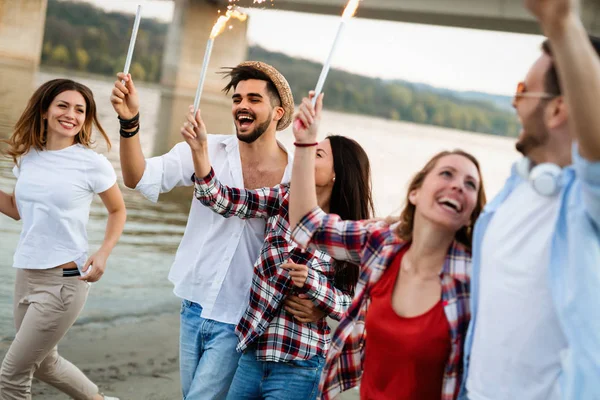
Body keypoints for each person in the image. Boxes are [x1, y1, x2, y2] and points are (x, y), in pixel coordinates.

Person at [110, 62, 328, 399]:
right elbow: (137, 177)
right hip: (193, 302)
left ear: (278, 111)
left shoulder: (295, 175)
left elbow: (317, 250)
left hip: (241, 317)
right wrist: (129, 121)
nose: (242, 105)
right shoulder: (206, 148)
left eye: (254, 99)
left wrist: (319, 304)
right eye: (237, 98)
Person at [288, 93, 487, 400]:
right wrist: (305, 143)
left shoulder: (476, 279)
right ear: (415, 193)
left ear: (472, 211)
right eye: (446, 174)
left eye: (470, 184)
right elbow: (307, 225)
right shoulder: (382, 242)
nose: (459, 185)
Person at [180, 94, 374, 399]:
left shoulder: (349, 235)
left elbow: (359, 308)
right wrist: (200, 151)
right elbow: (224, 199)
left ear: (337, 174)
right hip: (252, 352)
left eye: (318, 154)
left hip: (299, 364)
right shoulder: (285, 197)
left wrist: (314, 290)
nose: (307, 157)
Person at [460, 1, 600, 399]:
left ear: (558, 109)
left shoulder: (586, 203)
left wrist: (561, 24)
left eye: (523, 90)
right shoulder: (514, 190)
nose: (513, 102)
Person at [0, 79, 125, 400]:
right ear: (45, 110)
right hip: (26, 275)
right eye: (63, 105)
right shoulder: (29, 157)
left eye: (80, 110)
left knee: (11, 375)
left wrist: (103, 252)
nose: (71, 114)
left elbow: (117, 210)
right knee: (44, 363)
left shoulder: (91, 163)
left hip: (64, 281)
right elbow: (16, 209)